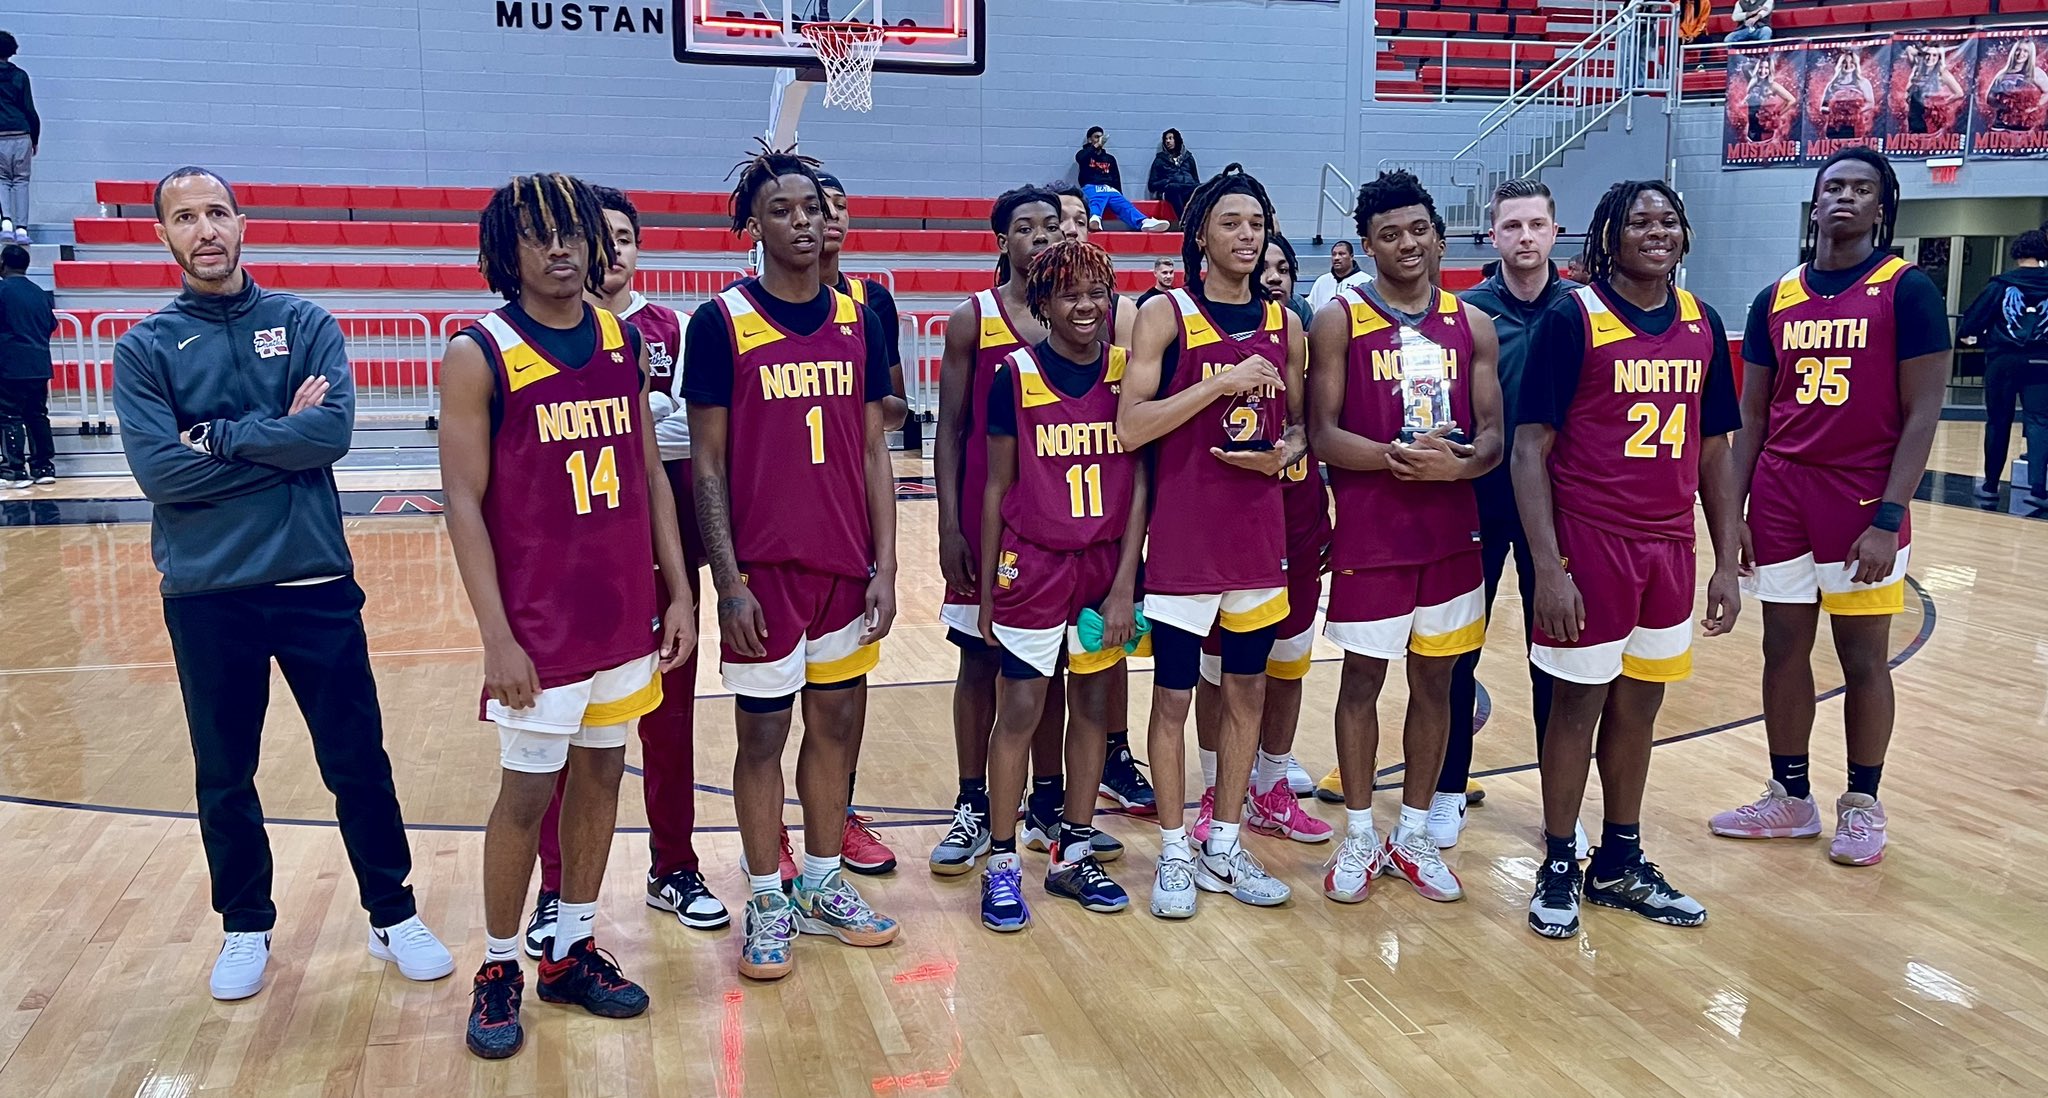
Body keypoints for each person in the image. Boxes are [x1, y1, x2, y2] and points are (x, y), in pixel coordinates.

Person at [112, 166, 452, 1004]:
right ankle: (244, 925)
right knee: (224, 770)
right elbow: (159, 472)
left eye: (218, 211)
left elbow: (328, 434)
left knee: (356, 760)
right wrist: (275, 437)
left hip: (313, 580)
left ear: (242, 223)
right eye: (185, 217)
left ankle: (391, 911)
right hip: (207, 590)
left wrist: (217, 438)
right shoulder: (143, 348)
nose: (206, 229)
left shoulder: (301, 322)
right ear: (163, 235)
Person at [441, 173, 693, 1058]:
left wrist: (678, 588)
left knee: (600, 778)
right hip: (539, 628)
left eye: (573, 234)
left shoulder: (622, 339)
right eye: (538, 235)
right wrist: (497, 636)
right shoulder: (481, 351)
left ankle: (570, 950)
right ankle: (501, 964)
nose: (560, 250)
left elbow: (653, 472)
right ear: (505, 250)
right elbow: (462, 503)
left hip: (622, 609)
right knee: (524, 797)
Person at [686, 146, 899, 982]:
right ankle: (767, 894)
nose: (804, 220)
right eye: (783, 210)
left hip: (845, 565)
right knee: (763, 735)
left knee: (836, 730)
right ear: (755, 227)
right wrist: (727, 579)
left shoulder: (863, 318)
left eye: (812, 206)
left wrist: (886, 564)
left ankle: (820, 881)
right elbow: (706, 465)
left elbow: (877, 454)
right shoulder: (721, 322)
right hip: (765, 574)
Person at [1515, 180, 1743, 940]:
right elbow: (1528, 449)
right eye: (1640, 220)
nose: (1657, 230)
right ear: (1608, 236)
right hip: (1592, 541)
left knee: (1640, 707)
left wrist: (1723, 554)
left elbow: (1714, 449)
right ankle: (1556, 860)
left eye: (1669, 219)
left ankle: (1618, 858)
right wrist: (1548, 567)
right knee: (1577, 707)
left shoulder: (1702, 322)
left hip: (1670, 546)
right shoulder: (1570, 317)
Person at [1713, 148, 1951, 868]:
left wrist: (1888, 517)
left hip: (1860, 493)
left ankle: (1863, 801)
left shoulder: (1906, 290)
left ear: (1883, 209)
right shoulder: (1774, 298)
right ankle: (1790, 795)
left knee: (1861, 656)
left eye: (1862, 189)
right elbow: (1751, 417)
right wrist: (1739, 515)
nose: (1844, 198)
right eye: (1833, 187)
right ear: (1814, 204)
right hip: (1784, 491)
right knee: (1782, 646)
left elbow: (1924, 413)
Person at [519, 185, 725, 957]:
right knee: (565, 738)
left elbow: (680, 434)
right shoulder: (538, 336)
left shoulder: (664, 326)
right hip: (575, 565)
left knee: (670, 724)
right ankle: (554, 885)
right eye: (595, 236)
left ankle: (674, 865)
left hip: (663, 548)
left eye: (623, 237)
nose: (611, 250)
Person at [1309, 171, 1502, 906]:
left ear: (1437, 233)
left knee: (1439, 685)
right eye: (1389, 234)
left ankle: (1414, 831)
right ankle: (1360, 832)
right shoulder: (1341, 319)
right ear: (1367, 245)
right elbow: (1323, 434)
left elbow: (1491, 437)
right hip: (1373, 533)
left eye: (1417, 228)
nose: (1407, 243)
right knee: (1362, 681)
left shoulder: (1470, 323)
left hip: (1454, 535)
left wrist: (1461, 464)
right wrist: (1393, 457)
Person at [1119, 165, 1304, 918]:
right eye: (1231, 223)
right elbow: (1131, 426)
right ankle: (1172, 851)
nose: (1246, 236)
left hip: (1257, 539)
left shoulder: (1284, 324)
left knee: (1248, 692)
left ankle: (1223, 845)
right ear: (1201, 234)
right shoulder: (1165, 314)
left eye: (1256, 225)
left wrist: (1285, 453)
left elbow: (1296, 428)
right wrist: (1217, 386)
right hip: (1186, 545)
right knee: (1171, 699)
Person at [973, 241, 1148, 931]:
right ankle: (1002, 862)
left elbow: (1141, 486)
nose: (1086, 306)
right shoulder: (1013, 375)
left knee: (1095, 705)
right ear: (1041, 304)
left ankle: (1073, 852)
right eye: (1070, 294)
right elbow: (996, 487)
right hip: (1034, 563)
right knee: (1018, 710)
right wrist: (987, 589)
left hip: (1103, 566)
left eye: (1097, 293)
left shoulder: (1129, 373)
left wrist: (1127, 579)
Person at [1435, 179, 1581, 850]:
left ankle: (1562, 807)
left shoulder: (1583, 310)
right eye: (1511, 226)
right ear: (1492, 236)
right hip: (1480, 499)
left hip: (1560, 508)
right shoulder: (1466, 314)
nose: (1525, 236)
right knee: (1457, 651)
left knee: (1555, 654)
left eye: (1536, 225)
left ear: (1555, 232)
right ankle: (1445, 788)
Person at [1186, 233, 1330, 845]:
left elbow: (1306, 428)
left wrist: (1286, 452)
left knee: (1288, 663)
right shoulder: (1200, 330)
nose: (1272, 276)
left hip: (1294, 516)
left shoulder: (1301, 336)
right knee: (1218, 670)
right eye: (1262, 266)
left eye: (1282, 267)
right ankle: (1219, 788)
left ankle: (1270, 787)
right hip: (1228, 521)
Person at [816, 169, 908, 876]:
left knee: (847, 687)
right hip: (780, 522)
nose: (830, 218)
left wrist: (868, 406)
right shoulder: (740, 312)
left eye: (841, 207)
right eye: (820, 207)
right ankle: (780, 837)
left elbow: (894, 408)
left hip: (850, 511)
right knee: (772, 701)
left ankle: (838, 815)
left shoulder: (871, 304)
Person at [1960, 230, 2048, 506]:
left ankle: (1990, 485)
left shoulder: (2000, 285)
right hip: (2042, 362)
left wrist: (1982, 338)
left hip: (2003, 362)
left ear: (2017, 254)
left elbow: (1970, 324)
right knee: (2039, 422)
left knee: (1998, 422)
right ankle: (2038, 490)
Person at [0, 242, 53, 487]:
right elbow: (51, 324)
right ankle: (44, 467)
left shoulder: (2, 291)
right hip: (39, 363)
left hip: (10, 365)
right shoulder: (39, 293)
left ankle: (15, 470)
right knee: (37, 415)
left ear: (2, 264)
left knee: (10, 415)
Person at [1074, 126, 1170, 233]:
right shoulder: (1083, 154)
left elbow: (1116, 178)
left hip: (1110, 189)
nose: (1100, 140)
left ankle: (1144, 222)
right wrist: (1094, 147)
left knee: (1126, 206)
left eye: (1101, 137)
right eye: (1096, 137)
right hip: (1092, 186)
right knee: (1096, 201)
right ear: (1089, 139)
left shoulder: (1109, 158)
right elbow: (1080, 159)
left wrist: (1119, 193)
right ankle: (1094, 219)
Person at [0, 32, 34, 243]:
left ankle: (6, 223)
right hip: (22, 133)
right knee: (21, 181)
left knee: (2, 180)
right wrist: (35, 137)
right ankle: (22, 229)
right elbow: (29, 108)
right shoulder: (20, 76)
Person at [1148, 128, 1200, 223]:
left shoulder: (1189, 158)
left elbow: (1196, 179)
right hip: (1171, 190)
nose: (1168, 141)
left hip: (1188, 188)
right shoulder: (1159, 160)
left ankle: (1198, 222)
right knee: (1174, 187)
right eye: (1166, 139)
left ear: (1177, 140)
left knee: (1199, 189)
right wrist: (1167, 182)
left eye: (1170, 138)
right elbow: (1151, 185)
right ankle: (1183, 221)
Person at [1308, 241, 1371, 314]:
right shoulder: (1322, 281)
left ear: (1351, 257)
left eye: (1341, 254)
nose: (1336, 258)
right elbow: (1311, 308)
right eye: (1334, 254)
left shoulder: (1365, 282)